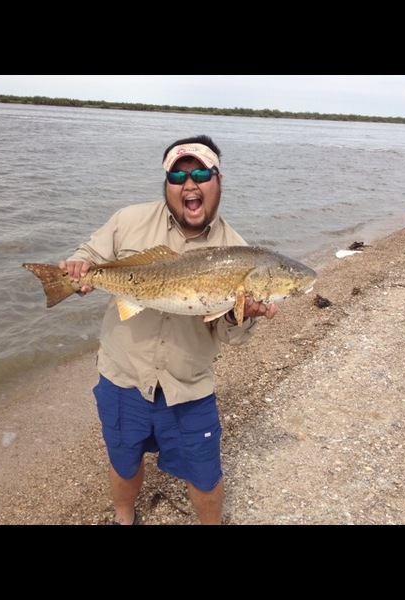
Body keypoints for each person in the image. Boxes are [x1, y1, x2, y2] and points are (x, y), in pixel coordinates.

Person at [59, 135, 277, 525]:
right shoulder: (128, 220)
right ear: (167, 184)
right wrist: (77, 268)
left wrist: (238, 316)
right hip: (123, 376)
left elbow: (231, 337)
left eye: (200, 174)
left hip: (187, 388)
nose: (189, 183)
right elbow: (89, 253)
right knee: (124, 461)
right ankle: (124, 517)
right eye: (177, 175)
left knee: (205, 475)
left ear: (218, 180)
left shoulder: (238, 251)